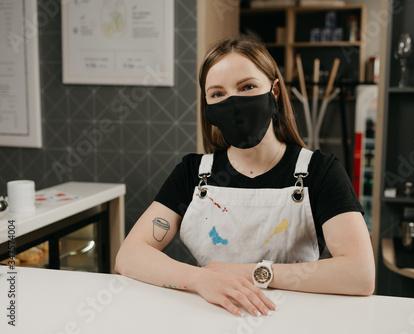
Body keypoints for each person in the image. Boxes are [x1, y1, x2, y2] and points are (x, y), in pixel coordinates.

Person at [115, 36, 375, 318]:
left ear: (274, 91)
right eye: (217, 94)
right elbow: (129, 256)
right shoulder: (193, 174)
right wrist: (202, 279)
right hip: (214, 316)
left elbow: (360, 274)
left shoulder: (319, 172)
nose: (233, 103)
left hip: (290, 318)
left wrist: (255, 274)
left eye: (247, 87)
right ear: (208, 106)